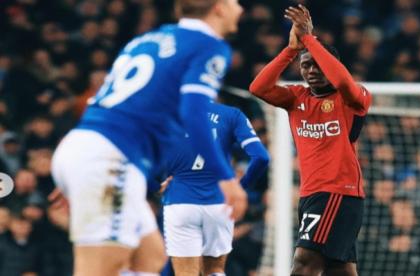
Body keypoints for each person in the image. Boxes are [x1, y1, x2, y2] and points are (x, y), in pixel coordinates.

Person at [50, 0, 246, 275]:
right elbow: (195, 112)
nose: (240, 8)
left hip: (87, 148)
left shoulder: (148, 39)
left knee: (149, 257)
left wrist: (79, 171)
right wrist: (225, 177)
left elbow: (108, 102)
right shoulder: (209, 45)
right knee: (96, 268)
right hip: (107, 160)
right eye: (234, 1)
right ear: (219, 7)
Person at [249, 5, 372, 276]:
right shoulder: (297, 98)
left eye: (317, 64)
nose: (311, 70)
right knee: (338, 271)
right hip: (311, 194)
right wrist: (292, 49)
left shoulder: (352, 97)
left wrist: (310, 39)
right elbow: (258, 87)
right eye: (305, 66)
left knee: (304, 264)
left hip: (337, 192)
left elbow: (341, 78)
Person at [162, 102, 269, 276]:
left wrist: (157, 181)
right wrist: (239, 188)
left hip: (180, 200)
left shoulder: (168, 112)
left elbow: (147, 151)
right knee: (215, 270)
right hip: (220, 202)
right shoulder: (231, 114)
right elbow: (261, 157)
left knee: (185, 272)